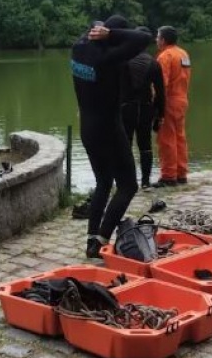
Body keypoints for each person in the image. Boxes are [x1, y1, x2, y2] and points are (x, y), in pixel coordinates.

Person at [72, 16, 153, 258]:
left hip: (87, 125)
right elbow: (144, 38)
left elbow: (90, 36)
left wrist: (101, 30)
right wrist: (112, 34)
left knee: (104, 182)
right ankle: (101, 239)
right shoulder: (108, 58)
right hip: (109, 126)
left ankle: (91, 241)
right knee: (128, 185)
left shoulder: (77, 50)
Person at [120, 27, 165, 189]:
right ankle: (145, 182)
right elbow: (161, 92)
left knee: (126, 144)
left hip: (126, 108)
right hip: (146, 108)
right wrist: (161, 114)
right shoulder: (154, 63)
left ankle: (127, 181)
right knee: (145, 145)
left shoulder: (123, 60)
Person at [153, 26, 191, 187]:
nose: (156, 40)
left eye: (157, 37)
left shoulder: (165, 56)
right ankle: (181, 173)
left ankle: (169, 175)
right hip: (182, 99)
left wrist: (155, 104)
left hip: (169, 101)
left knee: (166, 138)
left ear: (163, 40)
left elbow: (161, 84)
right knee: (179, 137)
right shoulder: (183, 54)